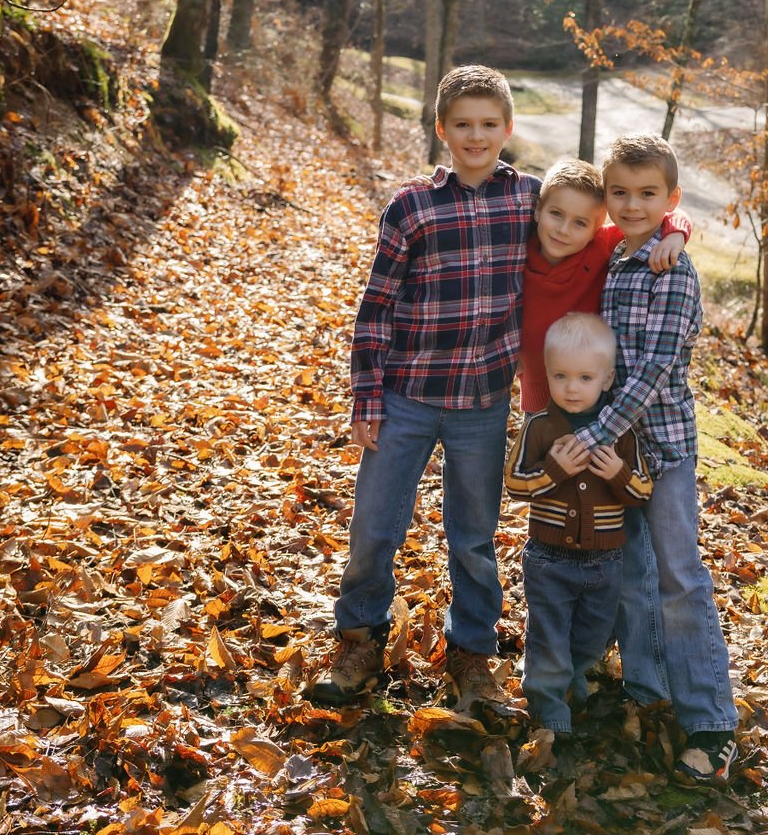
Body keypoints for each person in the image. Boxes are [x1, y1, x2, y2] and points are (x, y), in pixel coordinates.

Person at [311, 64, 540, 707]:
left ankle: (472, 655)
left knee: (474, 536)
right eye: (463, 124)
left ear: (507, 128)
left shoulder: (528, 199)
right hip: (408, 397)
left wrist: (674, 229)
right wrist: (367, 398)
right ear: (443, 130)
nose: (476, 135)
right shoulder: (412, 206)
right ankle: (358, 641)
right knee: (375, 527)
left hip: (483, 405)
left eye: (489, 124)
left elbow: (602, 223)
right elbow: (376, 306)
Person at [571, 132, 739, 785]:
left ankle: (711, 723)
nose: (633, 204)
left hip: (661, 449)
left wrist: (594, 435)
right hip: (617, 451)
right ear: (607, 199)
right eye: (621, 193)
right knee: (630, 573)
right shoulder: (612, 259)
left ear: (669, 201)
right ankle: (647, 688)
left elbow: (648, 374)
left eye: (648, 195)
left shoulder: (675, 273)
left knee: (679, 577)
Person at [505, 313, 652, 734]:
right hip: (549, 560)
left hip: (605, 561)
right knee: (549, 634)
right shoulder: (540, 427)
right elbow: (514, 482)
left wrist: (617, 474)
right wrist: (553, 470)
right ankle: (549, 707)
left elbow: (642, 492)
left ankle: (574, 672)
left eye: (585, 378)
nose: (572, 387)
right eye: (561, 376)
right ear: (547, 376)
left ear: (606, 380)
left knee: (593, 633)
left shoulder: (621, 435)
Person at [519, 157, 691, 414]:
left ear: (596, 228)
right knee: (537, 449)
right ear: (538, 211)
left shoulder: (601, 245)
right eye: (556, 214)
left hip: (593, 392)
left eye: (580, 222)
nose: (564, 230)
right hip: (537, 391)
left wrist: (676, 234)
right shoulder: (516, 252)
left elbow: (667, 212)